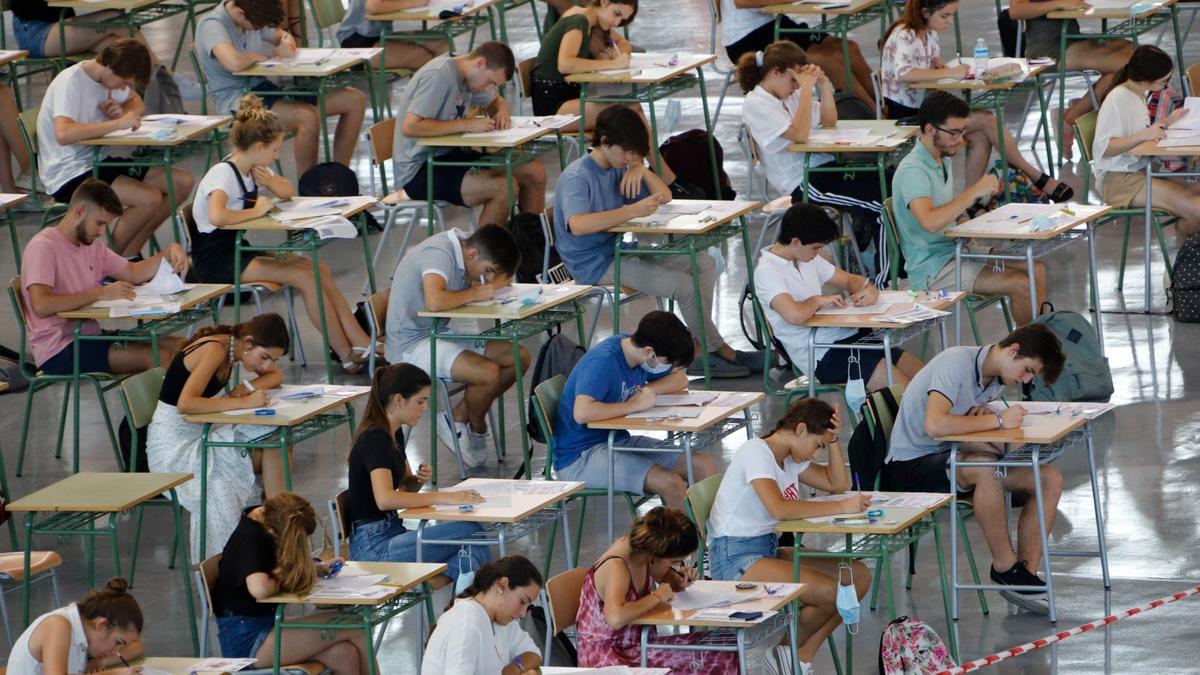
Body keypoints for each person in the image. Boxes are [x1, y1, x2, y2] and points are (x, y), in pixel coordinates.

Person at [554, 106, 764, 377]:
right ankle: (721, 351)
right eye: (627, 152)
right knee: (684, 287)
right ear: (604, 141)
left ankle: (700, 347)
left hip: (621, 251)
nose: (629, 158)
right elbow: (578, 224)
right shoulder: (578, 176)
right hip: (593, 264)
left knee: (704, 263)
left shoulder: (618, 167)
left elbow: (665, 195)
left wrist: (641, 170)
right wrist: (631, 210)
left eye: (635, 154)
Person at [882, 324, 1066, 614]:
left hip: (951, 453)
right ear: (1014, 351)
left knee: (1048, 479)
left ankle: (1024, 576)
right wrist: (999, 420)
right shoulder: (955, 362)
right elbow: (935, 425)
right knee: (986, 468)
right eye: (1027, 370)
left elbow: (963, 423)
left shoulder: (994, 380)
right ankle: (1004, 567)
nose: (1026, 380)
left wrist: (986, 414)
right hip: (911, 463)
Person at [190, 94, 379, 374]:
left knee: (319, 268)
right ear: (258, 146)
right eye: (275, 150)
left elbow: (287, 191)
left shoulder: (250, 167)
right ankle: (345, 354)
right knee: (305, 276)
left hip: (236, 249)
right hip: (216, 260)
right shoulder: (223, 174)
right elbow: (218, 216)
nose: (277, 156)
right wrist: (256, 211)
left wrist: (270, 179)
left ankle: (360, 341)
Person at [707, 399, 871, 674]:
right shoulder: (757, 452)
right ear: (801, 429)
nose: (815, 454)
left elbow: (838, 483)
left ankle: (797, 654)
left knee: (857, 576)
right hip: (735, 557)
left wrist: (832, 441)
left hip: (767, 550)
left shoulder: (790, 458)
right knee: (831, 593)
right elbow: (780, 509)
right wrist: (842, 506)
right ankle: (785, 657)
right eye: (817, 445)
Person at [879, 0, 1072, 201]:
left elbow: (928, 68)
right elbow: (904, 73)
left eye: (951, 15)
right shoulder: (904, 35)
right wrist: (949, 72)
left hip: (925, 111)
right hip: (906, 116)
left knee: (979, 136)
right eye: (944, 16)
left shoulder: (929, 33)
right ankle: (1035, 175)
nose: (949, 21)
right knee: (986, 118)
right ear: (926, 13)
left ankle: (969, 202)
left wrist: (937, 66)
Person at [892, 91, 1047, 325]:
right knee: (1020, 284)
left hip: (955, 249)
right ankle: (1028, 345)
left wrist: (964, 219)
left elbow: (945, 210)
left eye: (962, 131)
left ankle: (1039, 341)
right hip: (933, 269)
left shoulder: (941, 158)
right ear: (930, 130)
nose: (959, 139)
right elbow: (930, 221)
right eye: (953, 132)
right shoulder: (914, 171)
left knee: (1036, 269)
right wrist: (973, 192)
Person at [146, 314, 292, 560]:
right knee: (226, 480)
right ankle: (273, 534)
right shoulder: (215, 350)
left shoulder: (237, 347)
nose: (267, 365)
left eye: (273, 360)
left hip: (204, 429)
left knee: (278, 440)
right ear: (248, 343)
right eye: (265, 357)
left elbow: (275, 377)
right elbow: (185, 404)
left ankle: (278, 524)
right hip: (175, 445)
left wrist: (245, 388)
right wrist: (245, 402)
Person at [384, 224, 528, 468]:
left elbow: (495, 281)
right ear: (473, 255)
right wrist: (475, 293)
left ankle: (459, 416)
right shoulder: (439, 253)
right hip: (411, 345)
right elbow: (435, 301)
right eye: (487, 271)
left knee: (518, 356)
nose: (486, 279)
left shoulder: (467, 247)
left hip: (437, 333)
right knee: (488, 373)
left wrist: (495, 282)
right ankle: (477, 424)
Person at [37, 39, 195, 256]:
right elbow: (64, 134)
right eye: (123, 82)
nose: (123, 88)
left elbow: (136, 101)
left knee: (181, 182)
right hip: (67, 172)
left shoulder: (106, 79)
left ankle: (130, 253)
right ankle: (108, 261)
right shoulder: (71, 82)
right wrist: (116, 124)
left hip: (96, 160)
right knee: (148, 198)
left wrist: (124, 111)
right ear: (110, 66)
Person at [737, 41, 891, 264]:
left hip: (824, 168)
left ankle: (880, 256)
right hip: (802, 182)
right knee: (881, 205)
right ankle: (883, 273)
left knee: (890, 182)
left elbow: (829, 120)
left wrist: (824, 84)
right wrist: (807, 89)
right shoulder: (757, 103)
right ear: (776, 72)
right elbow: (799, 135)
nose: (797, 86)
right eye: (794, 80)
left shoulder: (790, 95)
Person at [21, 179, 188, 376]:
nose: (101, 233)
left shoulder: (92, 245)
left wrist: (168, 252)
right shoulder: (43, 247)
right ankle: (174, 397)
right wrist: (100, 293)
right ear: (79, 211)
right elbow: (41, 306)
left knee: (184, 346)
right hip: (59, 348)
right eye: (99, 223)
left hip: (89, 336)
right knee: (160, 356)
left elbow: (133, 272)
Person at [552, 311, 716, 510]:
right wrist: (634, 405)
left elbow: (680, 379)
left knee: (702, 464)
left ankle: (706, 530)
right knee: (671, 483)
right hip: (580, 456)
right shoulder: (602, 363)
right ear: (649, 352)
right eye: (668, 362)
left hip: (617, 440)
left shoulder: (639, 354)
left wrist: (648, 390)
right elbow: (582, 413)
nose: (668, 367)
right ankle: (682, 531)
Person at [346, 363, 492, 583]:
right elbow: (385, 500)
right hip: (374, 548)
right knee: (471, 531)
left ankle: (454, 595)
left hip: (391, 533)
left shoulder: (394, 433)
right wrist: (444, 497)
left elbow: (404, 490)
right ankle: (461, 594)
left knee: (472, 550)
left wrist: (416, 480)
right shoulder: (376, 438)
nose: (424, 408)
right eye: (420, 401)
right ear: (398, 400)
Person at [755, 203, 924, 390]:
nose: (818, 254)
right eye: (816, 248)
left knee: (922, 375)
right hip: (820, 353)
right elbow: (794, 315)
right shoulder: (768, 271)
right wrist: (816, 301)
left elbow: (849, 280)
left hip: (847, 337)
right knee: (903, 389)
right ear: (795, 242)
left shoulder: (805, 257)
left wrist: (869, 289)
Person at [197, 0, 368, 174]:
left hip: (265, 90)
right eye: (256, 28)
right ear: (241, 13)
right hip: (238, 101)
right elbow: (233, 62)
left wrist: (287, 45)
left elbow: (282, 35)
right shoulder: (212, 25)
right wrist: (255, 57)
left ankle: (339, 177)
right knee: (307, 116)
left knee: (354, 99)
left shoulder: (252, 14)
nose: (257, 30)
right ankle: (308, 185)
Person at [213, 492, 377, 671]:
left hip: (262, 627)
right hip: (247, 639)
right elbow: (259, 588)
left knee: (344, 655)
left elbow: (270, 568)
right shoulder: (251, 537)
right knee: (355, 625)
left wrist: (313, 568)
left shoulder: (264, 520)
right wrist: (293, 577)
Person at [392, 42, 547, 226]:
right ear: (480, 63)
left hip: (450, 155)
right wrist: (465, 124)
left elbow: (495, 101)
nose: (488, 88)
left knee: (534, 171)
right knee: (504, 188)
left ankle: (531, 239)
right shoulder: (438, 76)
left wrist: (501, 112)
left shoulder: (470, 75)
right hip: (419, 169)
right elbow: (411, 127)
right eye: (490, 82)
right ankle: (486, 245)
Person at [575, 507, 737, 672]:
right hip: (608, 657)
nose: (676, 565)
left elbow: (663, 576)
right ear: (657, 554)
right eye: (675, 561)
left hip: (636, 646)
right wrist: (657, 597)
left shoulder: (643, 552)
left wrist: (679, 580)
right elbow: (615, 618)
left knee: (726, 645)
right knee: (717, 657)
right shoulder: (616, 566)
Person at [1092, 45, 1200, 235]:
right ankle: (1183, 247)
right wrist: (1144, 135)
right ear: (1145, 81)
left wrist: (1168, 121)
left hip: (1141, 170)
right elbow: (1105, 148)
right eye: (1164, 82)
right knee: (1196, 210)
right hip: (1119, 180)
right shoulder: (1118, 98)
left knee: (1195, 197)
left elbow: (1141, 133)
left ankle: (1185, 243)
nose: (1165, 87)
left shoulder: (1138, 93)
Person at [1010, 0, 1134, 154]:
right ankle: (1073, 116)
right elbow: (1016, 10)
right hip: (1047, 50)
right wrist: (1058, 3)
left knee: (1134, 52)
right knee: (1131, 65)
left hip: (1072, 37)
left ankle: (1082, 108)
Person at [719, 0, 876, 108]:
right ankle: (875, 117)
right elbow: (742, 2)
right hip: (745, 38)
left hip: (771, 22)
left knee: (848, 48)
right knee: (830, 59)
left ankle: (885, 106)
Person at [422, 556, 543, 674]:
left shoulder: (501, 619)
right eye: (522, 601)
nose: (523, 613)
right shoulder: (467, 625)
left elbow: (533, 653)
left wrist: (516, 667)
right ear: (502, 585)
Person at [8, 577, 145, 675]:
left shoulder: (84, 629)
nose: (116, 651)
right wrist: (114, 673)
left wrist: (104, 661)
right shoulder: (58, 626)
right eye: (118, 642)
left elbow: (137, 645)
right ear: (101, 625)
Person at [336, 0, 448, 72]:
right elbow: (373, 6)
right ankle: (428, 100)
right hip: (356, 43)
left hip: (380, 34)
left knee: (441, 43)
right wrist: (415, 2)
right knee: (422, 57)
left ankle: (447, 96)